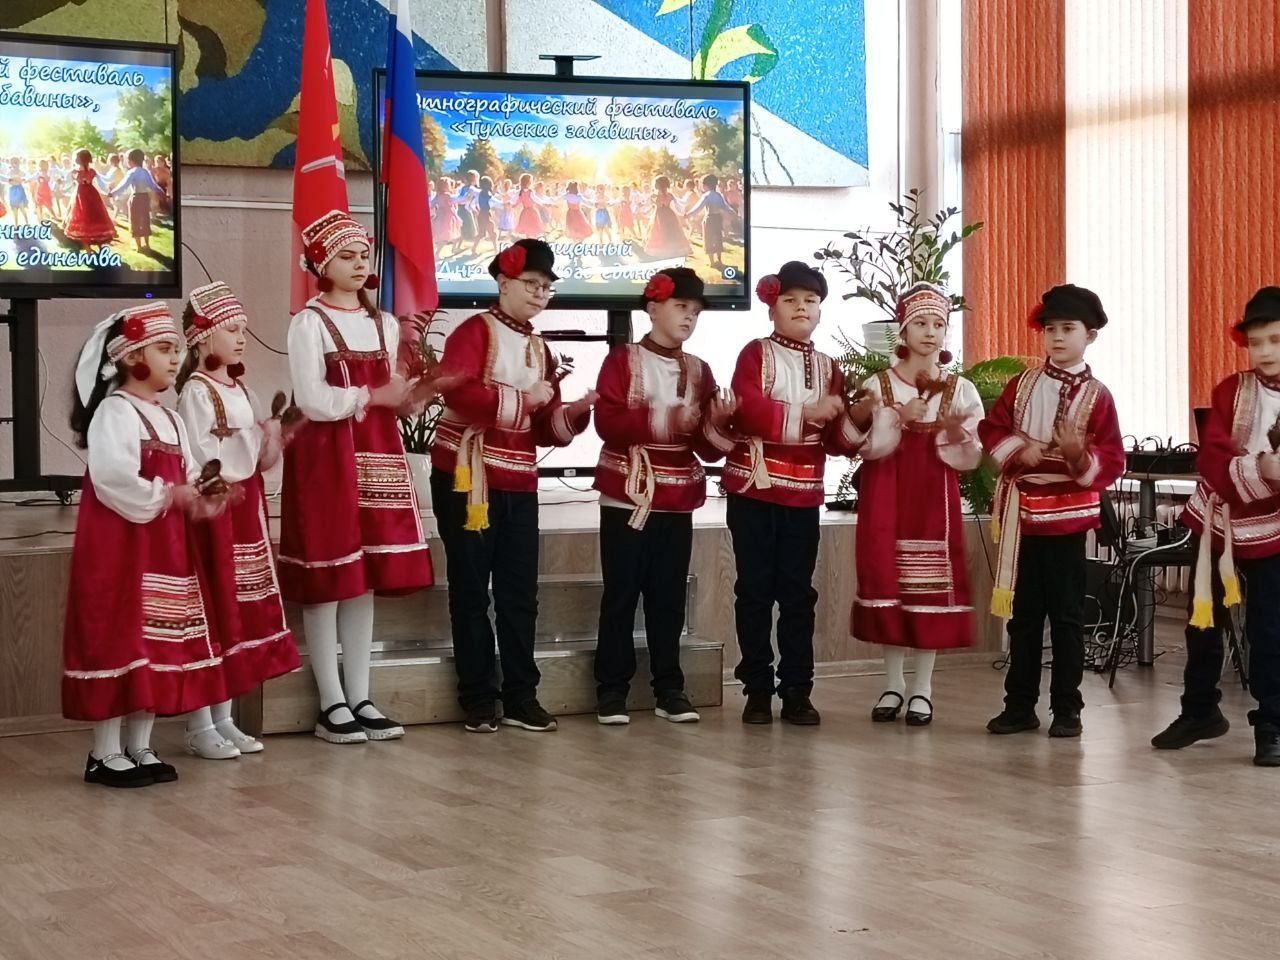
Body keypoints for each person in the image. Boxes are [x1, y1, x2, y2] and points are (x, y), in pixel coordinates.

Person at [279, 211, 435, 744]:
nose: (358, 263)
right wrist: (374, 395)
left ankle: (361, 695)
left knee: (362, 577)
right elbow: (312, 400)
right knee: (330, 576)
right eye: (346, 256)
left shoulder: (383, 323)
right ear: (321, 265)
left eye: (363, 255)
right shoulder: (308, 323)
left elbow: (391, 393)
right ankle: (331, 701)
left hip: (376, 453)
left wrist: (410, 397)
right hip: (325, 460)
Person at [430, 239, 596, 733]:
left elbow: (545, 428)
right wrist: (525, 398)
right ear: (503, 283)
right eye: (532, 284)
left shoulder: (540, 349)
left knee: (520, 593)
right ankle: (479, 697)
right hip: (467, 476)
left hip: (519, 481)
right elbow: (455, 388)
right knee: (470, 590)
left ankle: (522, 695)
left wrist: (576, 412)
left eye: (546, 287)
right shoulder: (473, 331)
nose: (540, 293)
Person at [64, 304, 229, 787]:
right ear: (131, 356)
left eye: (176, 349)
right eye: (164, 349)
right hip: (121, 549)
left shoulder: (170, 419)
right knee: (120, 637)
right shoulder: (115, 411)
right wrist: (169, 495)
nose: (175, 358)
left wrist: (205, 491)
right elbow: (113, 478)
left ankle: (140, 746)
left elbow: (190, 472)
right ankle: (103, 752)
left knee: (157, 639)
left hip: (164, 549)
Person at [591, 267, 738, 725]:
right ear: (653, 309)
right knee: (621, 593)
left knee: (669, 597)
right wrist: (669, 418)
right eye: (681, 307)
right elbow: (607, 423)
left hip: (676, 498)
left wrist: (720, 421)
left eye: (696, 311)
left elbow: (707, 448)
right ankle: (611, 690)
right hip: (628, 493)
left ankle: (669, 689)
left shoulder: (700, 370)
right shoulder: (622, 360)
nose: (689, 317)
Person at [979, 284, 1125, 738]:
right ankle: (1019, 706)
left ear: (1090, 336)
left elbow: (1112, 458)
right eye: (1050, 329)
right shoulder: (1022, 384)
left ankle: (1067, 708)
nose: (1057, 337)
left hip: (1067, 520)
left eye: (1068, 329)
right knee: (1024, 618)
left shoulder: (1098, 396)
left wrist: (1079, 457)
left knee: (1066, 617)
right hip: (1023, 518)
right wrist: (1018, 449)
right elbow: (993, 428)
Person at [722, 261, 864, 725]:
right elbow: (747, 410)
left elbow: (836, 440)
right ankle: (758, 689)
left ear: (820, 311)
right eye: (791, 300)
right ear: (772, 308)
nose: (802, 308)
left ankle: (798, 691)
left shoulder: (829, 367)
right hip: (755, 489)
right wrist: (809, 413)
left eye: (811, 301)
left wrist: (859, 415)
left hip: (803, 495)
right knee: (754, 591)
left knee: (799, 595)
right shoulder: (755, 353)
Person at [1152, 286, 1280, 766]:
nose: (1264, 351)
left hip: (1274, 530)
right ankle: (1200, 709)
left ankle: (1272, 724)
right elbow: (1211, 455)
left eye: (1275, 340)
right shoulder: (1231, 390)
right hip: (1219, 521)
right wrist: (1261, 470)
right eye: (1256, 342)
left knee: (1270, 627)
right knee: (1202, 622)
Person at [176, 281, 303, 759]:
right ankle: (199, 724)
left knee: (236, 610)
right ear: (203, 336)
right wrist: (246, 448)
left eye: (243, 329)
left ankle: (224, 717)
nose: (241, 338)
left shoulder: (240, 388)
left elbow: (254, 459)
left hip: (245, 511)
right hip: (215, 513)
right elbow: (200, 458)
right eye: (231, 329)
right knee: (212, 608)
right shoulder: (197, 391)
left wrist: (275, 433)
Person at [851, 283, 983, 725]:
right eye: (921, 323)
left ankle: (923, 689)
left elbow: (972, 455)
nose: (930, 332)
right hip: (886, 496)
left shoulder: (959, 389)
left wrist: (955, 431)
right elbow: (864, 447)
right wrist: (895, 417)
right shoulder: (878, 384)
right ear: (903, 332)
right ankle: (892, 685)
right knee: (889, 585)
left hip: (933, 501)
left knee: (928, 588)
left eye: (938, 324)